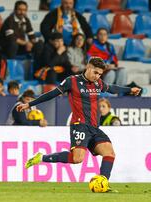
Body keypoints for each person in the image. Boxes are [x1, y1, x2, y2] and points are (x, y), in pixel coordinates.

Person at [19, 57, 141, 189]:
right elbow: (52, 94)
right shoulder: (72, 81)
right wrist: (30, 104)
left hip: (94, 127)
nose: (97, 76)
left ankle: (102, 183)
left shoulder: (98, 83)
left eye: (100, 74)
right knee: (77, 159)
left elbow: (111, 88)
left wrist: (129, 90)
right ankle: (41, 158)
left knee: (109, 153)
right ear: (88, 67)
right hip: (80, 126)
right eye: (95, 72)